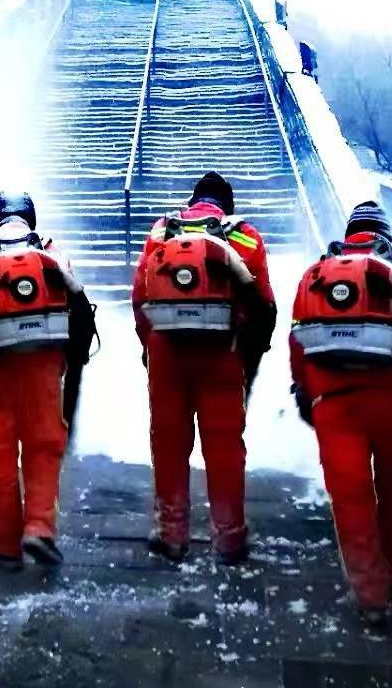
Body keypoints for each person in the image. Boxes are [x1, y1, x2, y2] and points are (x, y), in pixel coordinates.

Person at [289, 200, 392, 630]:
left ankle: (370, 595)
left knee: (352, 500)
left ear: (350, 233)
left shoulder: (319, 273)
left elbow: (297, 342)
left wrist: (307, 394)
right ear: (385, 237)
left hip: (335, 404)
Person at [131, 171, 277, 565]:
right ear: (225, 205)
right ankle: (229, 538)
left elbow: (140, 292)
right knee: (225, 447)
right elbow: (263, 300)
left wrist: (149, 341)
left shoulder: (163, 229)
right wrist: (249, 354)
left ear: (192, 200)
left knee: (168, 444)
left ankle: (171, 535)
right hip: (222, 350)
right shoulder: (243, 235)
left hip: (167, 350)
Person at [0, 191, 96, 568]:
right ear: (30, 217)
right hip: (43, 363)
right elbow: (73, 297)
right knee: (43, 446)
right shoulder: (48, 248)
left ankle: (5, 544)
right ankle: (39, 529)